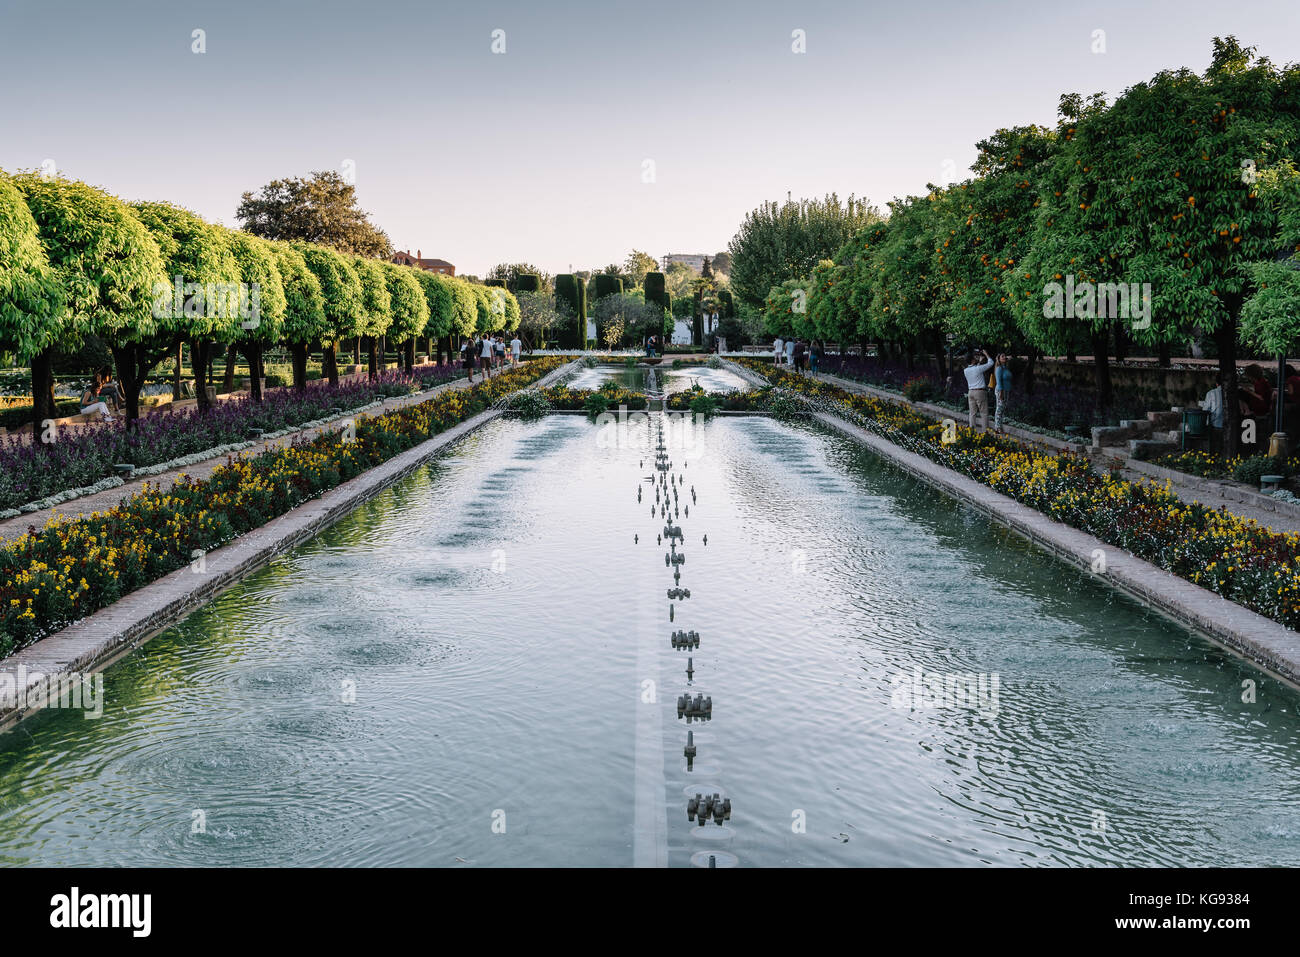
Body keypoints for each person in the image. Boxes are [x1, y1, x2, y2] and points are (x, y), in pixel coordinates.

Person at [963, 348, 995, 430]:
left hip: (970, 392)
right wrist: (986, 354)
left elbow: (975, 369)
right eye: (975, 358)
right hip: (980, 392)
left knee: (972, 413)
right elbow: (991, 363)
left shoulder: (966, 370)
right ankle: (985, 432)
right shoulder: (977, 369)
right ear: (973, 360)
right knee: (983, 413)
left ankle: (971, 430)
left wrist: (980, 361)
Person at [993, 354, 1012, 433]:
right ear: (999, 359)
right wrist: (1001, 392)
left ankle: (1000, 426)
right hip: (1001, 391)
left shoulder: (1005, 368)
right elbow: (998, 381)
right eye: (1002, 356)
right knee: (999, 409)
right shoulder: (999, 369)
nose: (1005, 357)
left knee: (1003, 409)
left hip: (1006, 390)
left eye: (1005, 356)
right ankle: (997, 428)